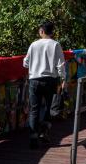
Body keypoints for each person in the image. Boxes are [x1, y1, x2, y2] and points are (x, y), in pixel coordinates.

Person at [24, 21, 66, 149]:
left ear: (42, 31)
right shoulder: (55, 44)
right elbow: (61, 65)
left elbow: (25, 63)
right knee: (49, 107)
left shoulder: (33, 44)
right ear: (52, 32)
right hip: (50, 80)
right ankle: (44, 132)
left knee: (34, 110)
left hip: (34, 80)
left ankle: (33, 138)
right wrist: (63, 79)